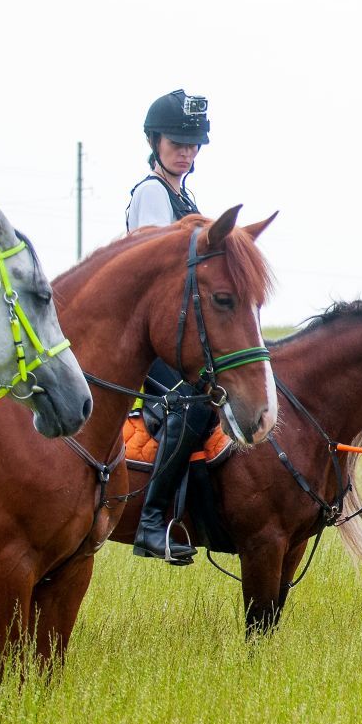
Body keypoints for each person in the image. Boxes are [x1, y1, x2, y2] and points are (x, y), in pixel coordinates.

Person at [125, 89, 215, 564]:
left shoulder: (185, 197)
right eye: (177, 141)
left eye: (193, 143)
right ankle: (152, 522)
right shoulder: (151, 194)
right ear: (155, 141)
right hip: (151, 340)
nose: (186, 151)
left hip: (182, 336)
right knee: (194, 406)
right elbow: (167, 270)